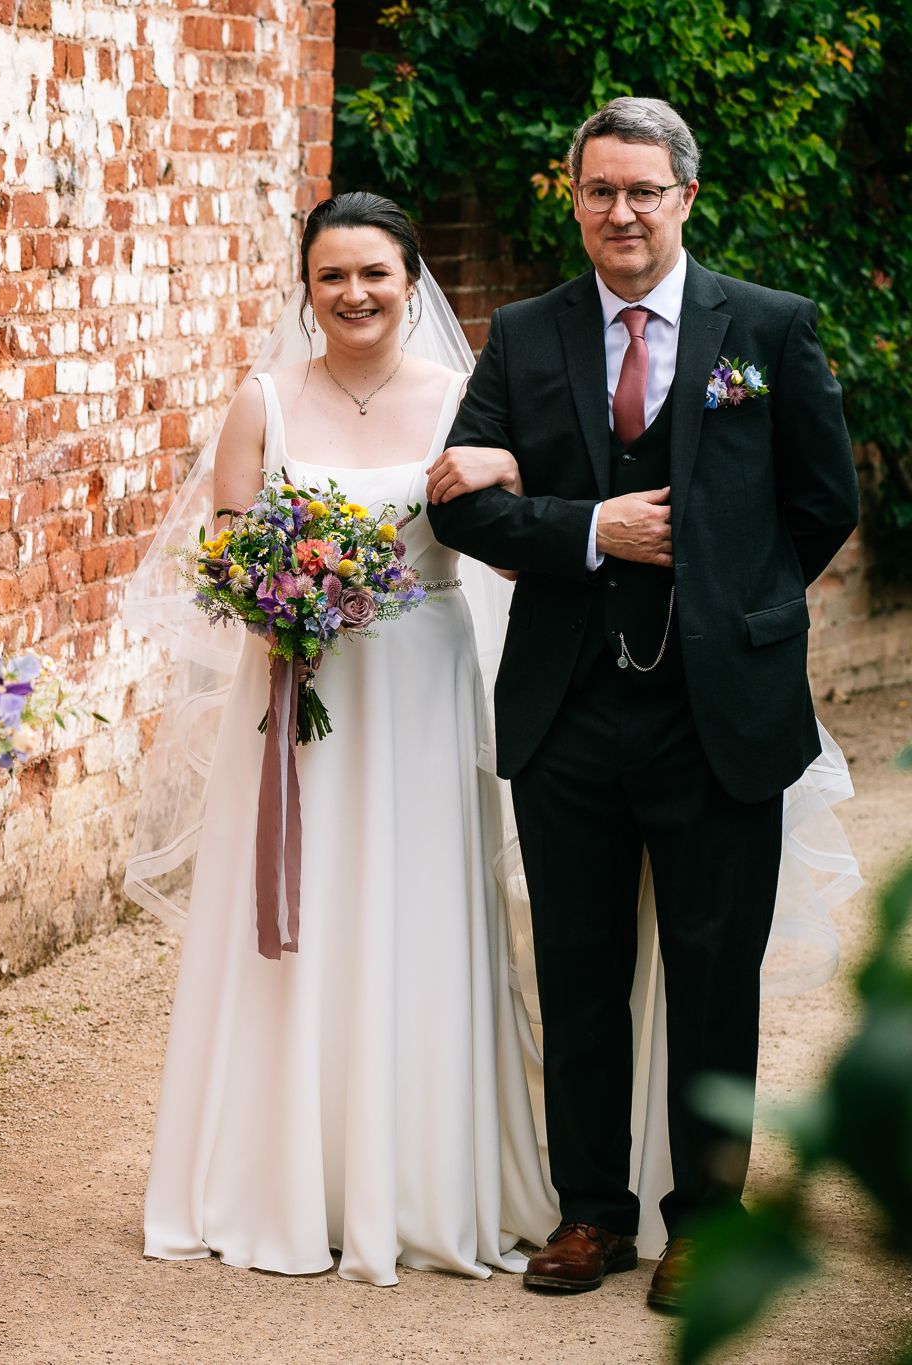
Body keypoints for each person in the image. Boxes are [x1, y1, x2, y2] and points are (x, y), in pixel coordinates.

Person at [427, 96, 860, 1309]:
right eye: (597, 191)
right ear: (571, 199)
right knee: (574, 969)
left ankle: (705, 1221)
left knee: (713, 974)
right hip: (567, 710)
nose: (619, 212)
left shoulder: (766, 328)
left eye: (641, 191)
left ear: (683, 199)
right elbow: (456, 503)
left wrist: (731, 601)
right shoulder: (520, 335)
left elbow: (819, 500)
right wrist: (587, 527)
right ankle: (587, 1216)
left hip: (718, 711)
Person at [123, 191, 560, 1287]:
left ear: (411, 281)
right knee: (303, 915)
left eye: (374, 273)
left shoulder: (465, 399)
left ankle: (418, 1179)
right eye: (331, 276)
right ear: (304, 286)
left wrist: (507, 473)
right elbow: (219, 557)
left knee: (416, 903)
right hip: (296, 698)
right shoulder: (262, 402)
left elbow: (512, 553)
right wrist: (274, 589)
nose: (353, 294)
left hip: (419, 687)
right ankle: (285, 1177)